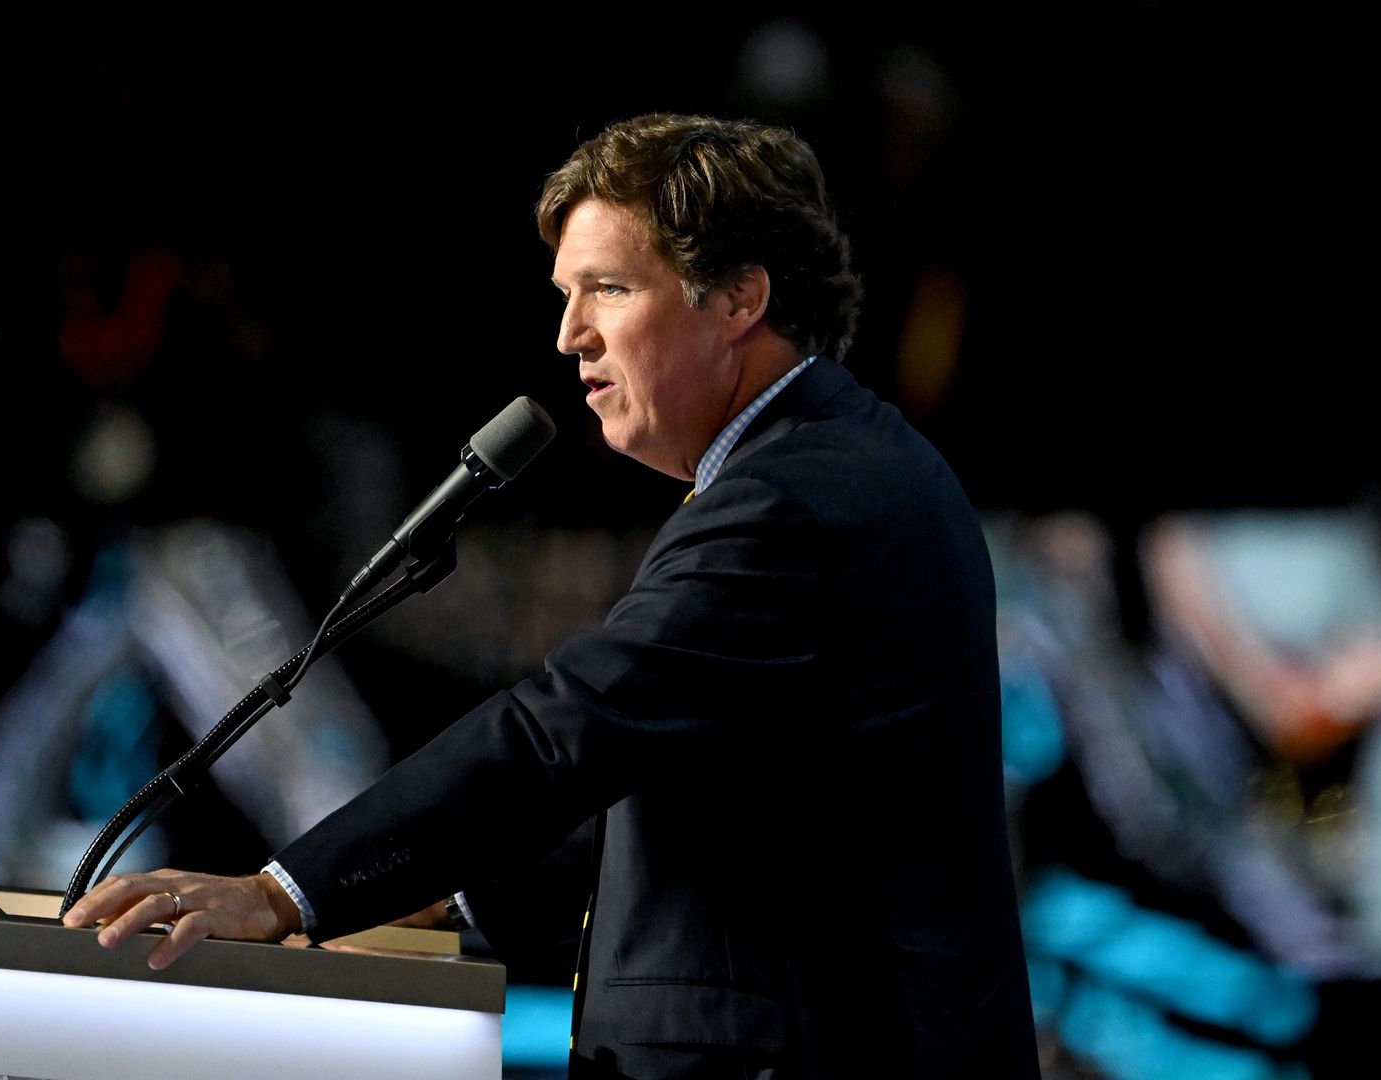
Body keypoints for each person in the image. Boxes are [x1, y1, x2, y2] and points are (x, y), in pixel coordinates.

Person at [63, 113, 1039, 1079]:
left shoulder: (798, 497)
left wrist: (284, 894)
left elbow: (559, 733)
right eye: (567, 295)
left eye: (608, 289)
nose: (570, 335)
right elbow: (697, 814)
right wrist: (450, 904)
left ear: (739, 298)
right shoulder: (822, 466)